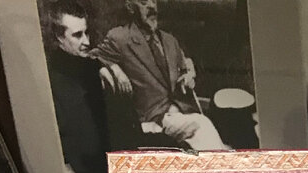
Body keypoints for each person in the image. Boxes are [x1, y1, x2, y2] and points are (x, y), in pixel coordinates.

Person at [95, 0, 226, 151]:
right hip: (153, 118)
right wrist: (114, 69)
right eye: (144, 2)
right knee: (202, 126)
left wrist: (189, 73)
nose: (152, 6)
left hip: (181, 110)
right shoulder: (120, 38)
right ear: (130, 8)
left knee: (208, 135)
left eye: (154, 1)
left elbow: (185, 65)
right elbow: (91, 57)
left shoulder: (169, 40)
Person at [44, 2, 113, 173]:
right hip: (85, 157)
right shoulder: (53, 77)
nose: (87, 41)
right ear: (59, 37)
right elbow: (72, 134)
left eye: (86, 33)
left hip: (101, 149)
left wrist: (105, 67)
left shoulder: (86, 66)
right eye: (77, 35)